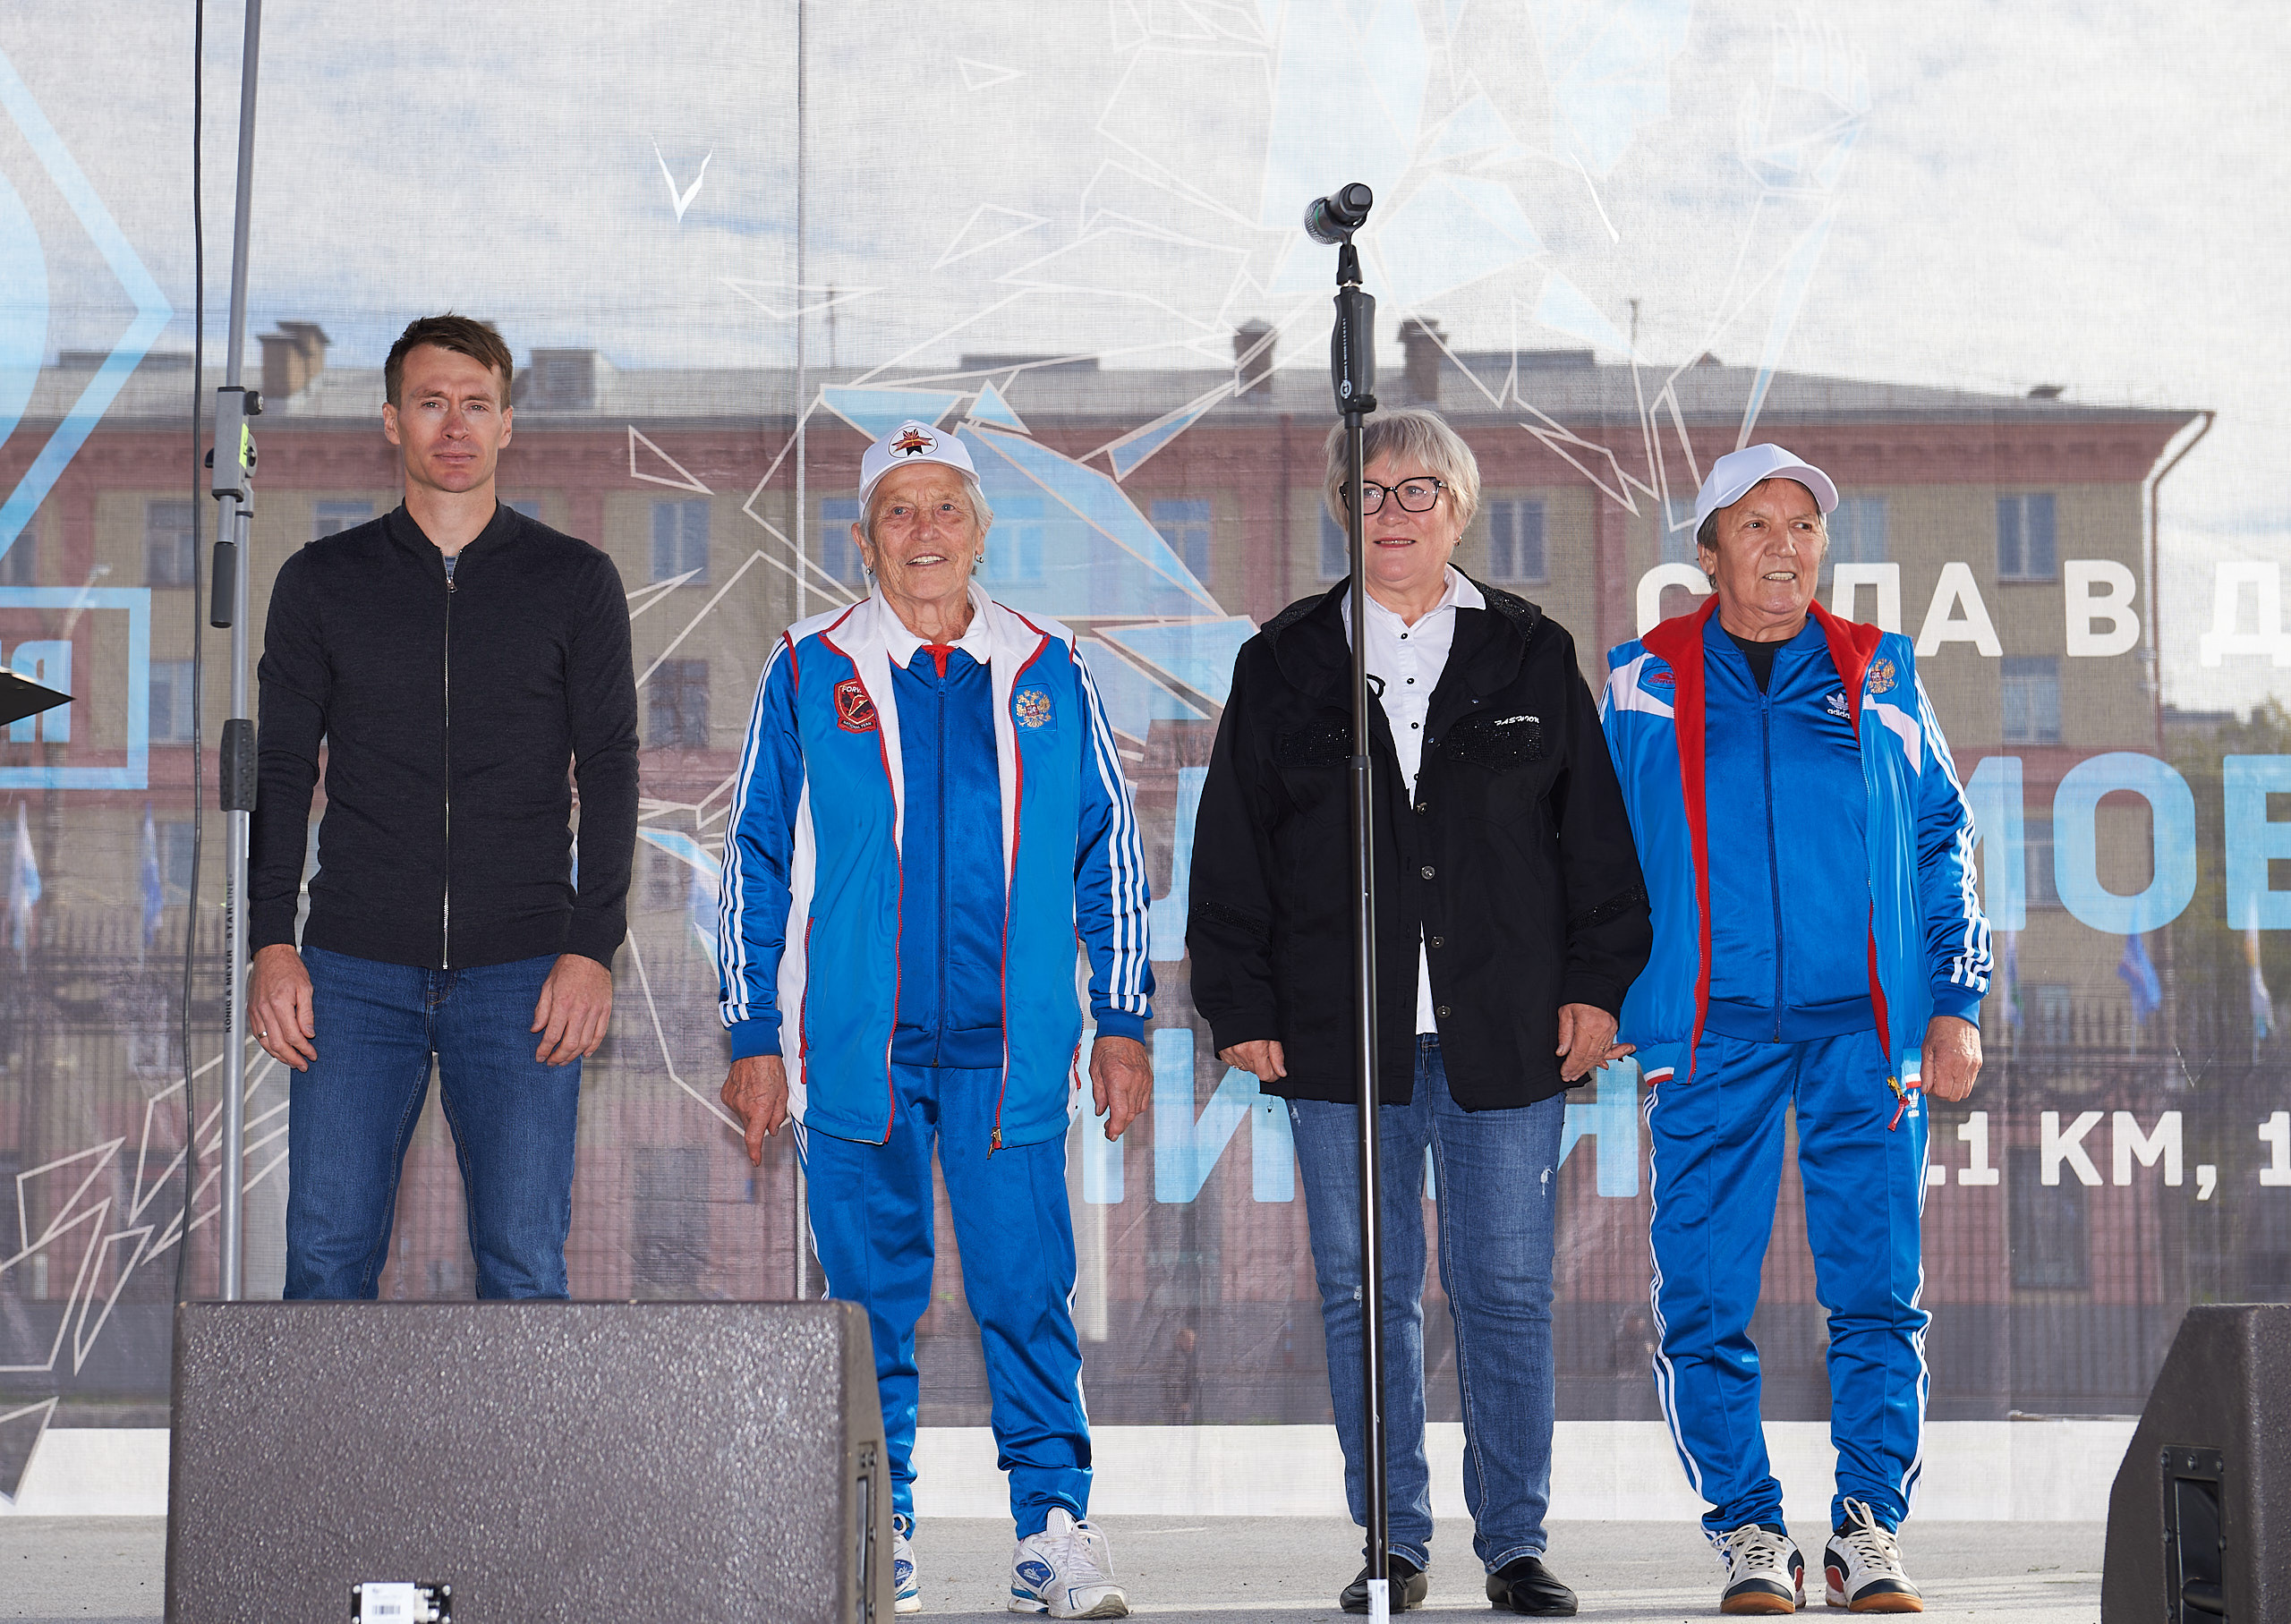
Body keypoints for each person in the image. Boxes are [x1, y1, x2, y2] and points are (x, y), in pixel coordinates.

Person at [1188, 407, 1651, 1617]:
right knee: (1365, 1294)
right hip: (1341, 1041)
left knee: (1505, 1289)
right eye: (1372, 489)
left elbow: (1596, 847)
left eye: (1419, 489)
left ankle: (1514, 1545)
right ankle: (1390, 1543)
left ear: (1461, 506)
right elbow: (1230, 851)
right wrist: (1237, 999)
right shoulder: (1282, 660)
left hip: (1504, 1032)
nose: (1394, 511)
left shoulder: (1532, 652)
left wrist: (1597, 986)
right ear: (1344, 507)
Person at [717, 420, 1154, 1620]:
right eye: (899, 511)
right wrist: (751, 1030)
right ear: (865, 537)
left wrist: (1121, 1014)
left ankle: (1053, 1529)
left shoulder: (1050, 668)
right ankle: (878, 1518)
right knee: (868, 1297)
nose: (923, 532)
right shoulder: (809, 668)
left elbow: (1108, 849)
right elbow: (751, 854)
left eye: (944, 508)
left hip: (1012, 1053)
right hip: (855, 1048)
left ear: (981, 529)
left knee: (1026, 1285)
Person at [1601, 443, 1989, 1616]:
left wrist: (1957, 1000)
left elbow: (1940, 839)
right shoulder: (1640, 678)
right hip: (1707, 1030)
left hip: (1863, 1030)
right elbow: (1592, 857)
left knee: (1878, 1291)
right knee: (1705, 1298)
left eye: (1804, 525)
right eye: (1757, 524)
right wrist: (1609, 989)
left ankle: (1869, 1525)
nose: (1784, 545)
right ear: (1708, 548)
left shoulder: (1881, 671)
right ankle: (1750, 1531)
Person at [249, 313, 637, 1300]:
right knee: (326, 1261)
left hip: (525, 977)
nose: (453, 426)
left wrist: (592, 947)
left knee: (523, 1265)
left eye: (475, 405)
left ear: (508, 424)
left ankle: (527, 1466)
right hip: (349, 973)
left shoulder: (575, 582)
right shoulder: (319, 582)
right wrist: (270, 943)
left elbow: (613, 767)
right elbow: (284, 771)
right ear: (392, 422)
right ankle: (322, 1464)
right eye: (431, 403)